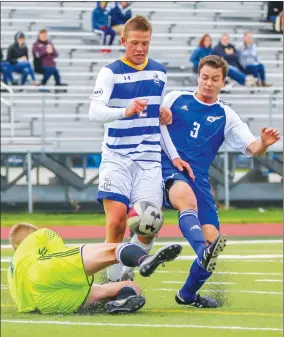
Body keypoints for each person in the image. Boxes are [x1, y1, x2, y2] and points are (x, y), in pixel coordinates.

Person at [160, 55, 280, 308]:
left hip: (199, 178)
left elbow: (252, 147)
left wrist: (264, 144)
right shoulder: (174, 98)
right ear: (198, 76)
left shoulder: (226, 114)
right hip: (168, 168)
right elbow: (152, 120)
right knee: (183, 198)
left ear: (223, 82)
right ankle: (195, 252)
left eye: (215, 79)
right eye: (205, 77)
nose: (208, 83)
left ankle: (187, 295)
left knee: (214, 242)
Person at [88, 15, 173, 283]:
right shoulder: (109, 72)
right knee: (116, 222)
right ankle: (112, 284)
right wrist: (124, 111)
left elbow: (155, 114)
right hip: (117, 157)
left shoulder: (160, 72)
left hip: (149, 160)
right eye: (135, 42)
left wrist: (163, 112)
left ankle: (126, 275)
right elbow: (94, 112)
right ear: (123, 41)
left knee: (149, 225)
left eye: (145, 43)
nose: (140, 48)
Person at [7, 222, 182, 315]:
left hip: (45, 304)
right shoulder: (37, 241)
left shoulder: (12, 271)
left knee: (127, 287)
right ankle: (144, 259)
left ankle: (119, 301)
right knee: (111, 251)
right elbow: (56, 247)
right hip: (45, 272)